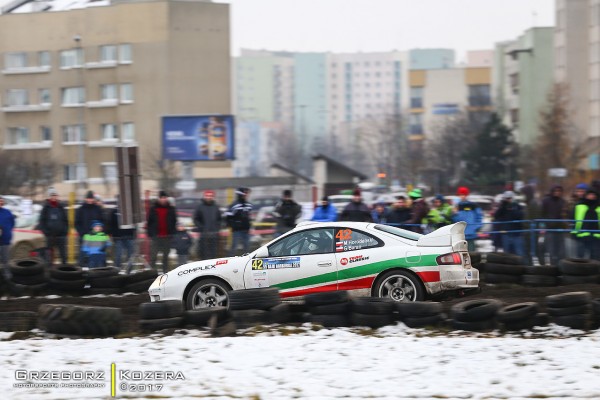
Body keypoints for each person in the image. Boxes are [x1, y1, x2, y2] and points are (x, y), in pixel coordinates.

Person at [147, 190, 178, 273]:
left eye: (165, 198)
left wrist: (172, 232)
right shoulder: (153, 209)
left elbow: (174, 221)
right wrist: (151, 234)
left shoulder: (171, 209)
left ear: (167, 198)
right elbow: (149, 222)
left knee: (165, 257)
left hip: (167, 237)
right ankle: (151, 273)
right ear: (159, 198)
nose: (163, 199)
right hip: (156, 237)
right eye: (161, 198)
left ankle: (165, 273)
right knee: (153, 257)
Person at [38, 188, 68, 265]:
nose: (54, 197)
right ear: (49, 197)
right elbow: (42, 222)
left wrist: (64, 232)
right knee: (49, 256)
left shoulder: (61, 207)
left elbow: (66, 220)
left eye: (55, 195)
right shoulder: (46, 208)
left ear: (57, 196)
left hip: (61, 236)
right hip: (50, 236)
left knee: (63, 255)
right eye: (52, 195)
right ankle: (49, 271)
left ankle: (65, 270)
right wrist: (46, 233)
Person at [541, 185, 567, 265]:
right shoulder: (546, 201)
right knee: (551, 251)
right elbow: (542, 214)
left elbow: (565, 214)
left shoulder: (563, 202)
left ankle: (561, 267)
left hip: (560, 229)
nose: (557, 193)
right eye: (555, 191)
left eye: (559, 191)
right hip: (550, 229)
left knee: (561, 252)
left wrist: (564, 223)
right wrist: (545, 223)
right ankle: (553, 267)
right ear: (552, 191)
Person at [75, 190, 103, 264]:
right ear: (85, 199)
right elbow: (77, 223)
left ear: (93, 199)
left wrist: (99, 232)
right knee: (83, 254)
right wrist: (81, 233)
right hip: (84, 236)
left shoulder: (97, 209)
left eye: (91, 198)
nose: (90, 200)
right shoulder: (81, 209)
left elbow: (102, 221)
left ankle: (94, 269)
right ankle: (82, 269)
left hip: (96, 236)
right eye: (88, 198)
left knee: (95, 253)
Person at [493, 190, 525, 257]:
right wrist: (503, 207)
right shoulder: (503, 207)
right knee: (507, 254)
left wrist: (512, 210)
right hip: (506, 233)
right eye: (507, 198)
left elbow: (521, 215)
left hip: (516, 233)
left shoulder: (518, 206)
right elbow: (496, 215)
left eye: (510, 198)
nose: (508, 200)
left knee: (519, 253)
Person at [571, 189, 600, 260]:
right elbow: (573, 218)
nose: (591, 196)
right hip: (581, 234)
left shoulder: (598, 206)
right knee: (580, 256)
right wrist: (573, 232)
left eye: (593, 195)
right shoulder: (579, 205)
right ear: (586, 195)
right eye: (589, 194)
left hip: (596, 235)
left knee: (595, 256)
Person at [108, 202, 137, 273]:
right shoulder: (114, 212)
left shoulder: (130, 211)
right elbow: (110, 224)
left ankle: (129, 271)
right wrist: (112, 235)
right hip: (118, 237)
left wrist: (133, 232)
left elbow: (135, 223)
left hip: (129, 236)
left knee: (130, 255)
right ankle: (116, 271)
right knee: (118, 255)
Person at [193, 189, 222, 260]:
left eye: (211, 196)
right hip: (204, 234)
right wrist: (201, 227)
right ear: (204, 196)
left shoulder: (216, 207)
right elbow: (195, 218)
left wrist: (217, 227)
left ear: (213, 197)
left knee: (213, 254)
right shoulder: (200, 207)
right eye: (207, 196)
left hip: (214, 234)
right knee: (204, 253)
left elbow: (220, 219)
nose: (209, 197)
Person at [452, 186, 483, 252]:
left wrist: (476, 227)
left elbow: (479, 217)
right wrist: (454, 214)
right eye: (460, 195)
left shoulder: (473, 205)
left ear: (467, 195)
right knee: (461, 255)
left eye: (463, 194)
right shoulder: (456, 206)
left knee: (472, 254)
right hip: (460, 235)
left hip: (471, 234)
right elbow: (455, 220)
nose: (462, 196)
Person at [225, 187, 253, 256]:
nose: (247, 195)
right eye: (245, 194)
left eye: (247, 194)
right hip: (236, 231)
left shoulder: (248, 205)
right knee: (234, 247)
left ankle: (246, 262)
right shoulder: (234, 205)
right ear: (240, 194)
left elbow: (249, 216)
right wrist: (233, 225)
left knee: (247, 248)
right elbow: (227, 217)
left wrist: (248, 225)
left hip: (246, 230)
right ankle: (229, 262)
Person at [0, 196, 16, 279]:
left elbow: (13, 223)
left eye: (2, 201)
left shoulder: (7, 212)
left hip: (6, 240)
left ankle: (7, 277)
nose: (1, 203)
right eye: (0, 201)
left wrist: (8, 231)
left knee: (6, 260)